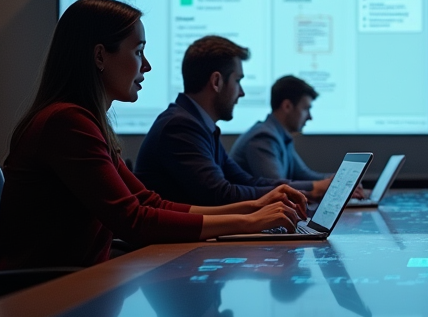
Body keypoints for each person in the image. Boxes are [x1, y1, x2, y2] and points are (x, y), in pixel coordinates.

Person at [0, 0, 304, 273]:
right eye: (138, 52)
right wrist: (248, 221)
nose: (146, 66)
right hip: (37, 297)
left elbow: (149, 201)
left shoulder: (86, 121)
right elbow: (133, 221)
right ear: (100, 56)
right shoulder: (67, 122)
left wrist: (252, 209)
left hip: (72, 282)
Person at [135, 38, 319, 205]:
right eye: (238, 81)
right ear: (217, 81)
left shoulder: (200, 124)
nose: (241, 92)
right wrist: (285, 193)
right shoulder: (180, 126)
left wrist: (293, 190)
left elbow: (245, 181)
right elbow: (220, 194)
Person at [230, 75, 333, 195]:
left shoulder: (280, 136)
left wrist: (337, 181)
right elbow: (277, 188)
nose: (310, 117)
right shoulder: (263, 138)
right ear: (287, 106)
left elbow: (303, 175)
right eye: (306, 109)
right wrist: (319, 187)